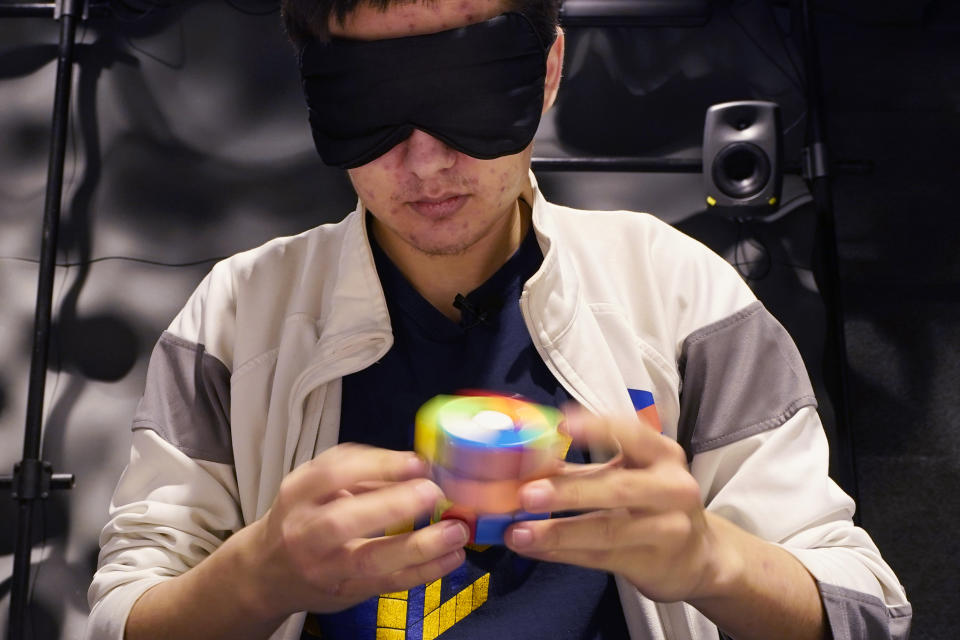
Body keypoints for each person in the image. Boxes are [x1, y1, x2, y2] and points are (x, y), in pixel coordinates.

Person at [85, 1, 912, 639]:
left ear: (547, 69)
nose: (426, 162)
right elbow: (123, 613)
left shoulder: (683, 296)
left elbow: (863, 610)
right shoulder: (236, 318)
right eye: (370, 107)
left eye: (468, 93)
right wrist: (256, 578)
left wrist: (709, 560)